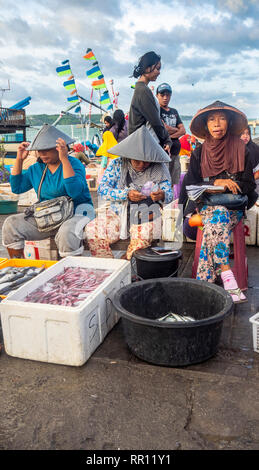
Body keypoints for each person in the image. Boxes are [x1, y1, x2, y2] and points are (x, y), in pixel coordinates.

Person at [179, 100, 257, 303]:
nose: (217, 124)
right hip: (207, 206)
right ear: (206, 126)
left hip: (234, 207)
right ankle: (226, 273)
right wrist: (216, 183)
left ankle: (207, 283)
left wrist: (229, 184)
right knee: (217, 214)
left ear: (229, 123)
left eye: (222, 119)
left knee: (219, 216)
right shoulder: (199, 153)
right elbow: (192, 185)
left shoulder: (242, 149)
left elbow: (249, 185)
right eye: (212, 120)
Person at [2, 124, 94, 258]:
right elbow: (17, 188)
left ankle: (71, 272)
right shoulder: (36, 169)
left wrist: (64, 159)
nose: (42, 153)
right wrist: (19, 159)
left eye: (46, 149)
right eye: (39, 150)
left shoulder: (75, 164)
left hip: (79, 213)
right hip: (47, 216)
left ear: (59, 148)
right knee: (11, 224)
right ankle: (19, 267)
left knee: (66, 233)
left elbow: (74, 192)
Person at [85, 126, 173, 260]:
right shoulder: (117, 164)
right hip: (118, 212)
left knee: (143, 233)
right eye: (137, 160)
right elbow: (102, 189)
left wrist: (162, 194)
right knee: (93, 230)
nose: (142, 164)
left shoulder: (159, 167)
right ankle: (111, 269)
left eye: (146, 161)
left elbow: (169, 193)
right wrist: (125, 194)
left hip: (148, 213)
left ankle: (129, 264)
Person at [128, 51, 171, 153]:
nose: (159, 72)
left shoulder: (141, 89)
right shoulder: (143, 90)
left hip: (144, 145)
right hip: (145, 147)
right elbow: (155, 121)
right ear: (147, 68)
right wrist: (166, 140)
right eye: (157, 68)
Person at [156, 82, 185, 186]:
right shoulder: (156, 111)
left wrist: (169, 131)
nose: (165, 97)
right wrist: (176, 130)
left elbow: (183, 131)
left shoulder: (174, 111)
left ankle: (171, 201)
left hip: (175, 153)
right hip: (163, 154)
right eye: (162, 95)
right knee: (162, 182)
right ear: (157, 96)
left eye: (167, 95)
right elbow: (161, 130)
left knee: (173, 182)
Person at [240, 126, 259, 195]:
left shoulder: (255, 149)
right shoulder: (232, 149)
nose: (245, 136)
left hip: (254, 181)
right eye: (242, 134)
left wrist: (250, 179)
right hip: (239, 182)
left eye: (248, 134)